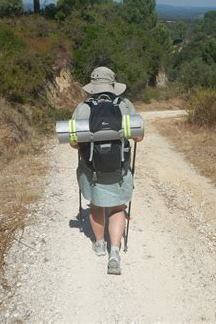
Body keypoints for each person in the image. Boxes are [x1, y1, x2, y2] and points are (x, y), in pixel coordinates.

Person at [70, 66, 143, 275]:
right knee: (118, 208)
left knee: (96, 204)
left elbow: (74, 144)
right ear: (113, 85)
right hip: (117, 169)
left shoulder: (83, 108)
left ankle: (99, 244)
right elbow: (138, 137)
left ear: (92, 86)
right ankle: (114, 251)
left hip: (93, 169)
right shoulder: (124, 105)